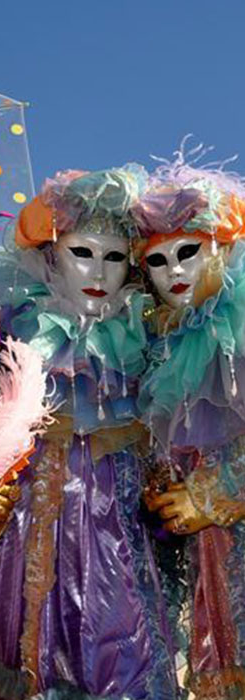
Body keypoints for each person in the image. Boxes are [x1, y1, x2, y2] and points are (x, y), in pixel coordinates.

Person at [0, 166, 180, 699]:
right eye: (82, 252)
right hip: (28, 531)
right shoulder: (21, 327)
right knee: (28, 660)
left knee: (125, 661)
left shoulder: (149, 335)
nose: (98, 270)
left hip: (117, 533)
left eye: (114, 256)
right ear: (52, 255)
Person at [137, 155, 245, 698]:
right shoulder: (164, 346)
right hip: (211, 558)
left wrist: (217, 491)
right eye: (158, 261)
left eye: (188, 253)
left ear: (222, 248)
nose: (175, 271)